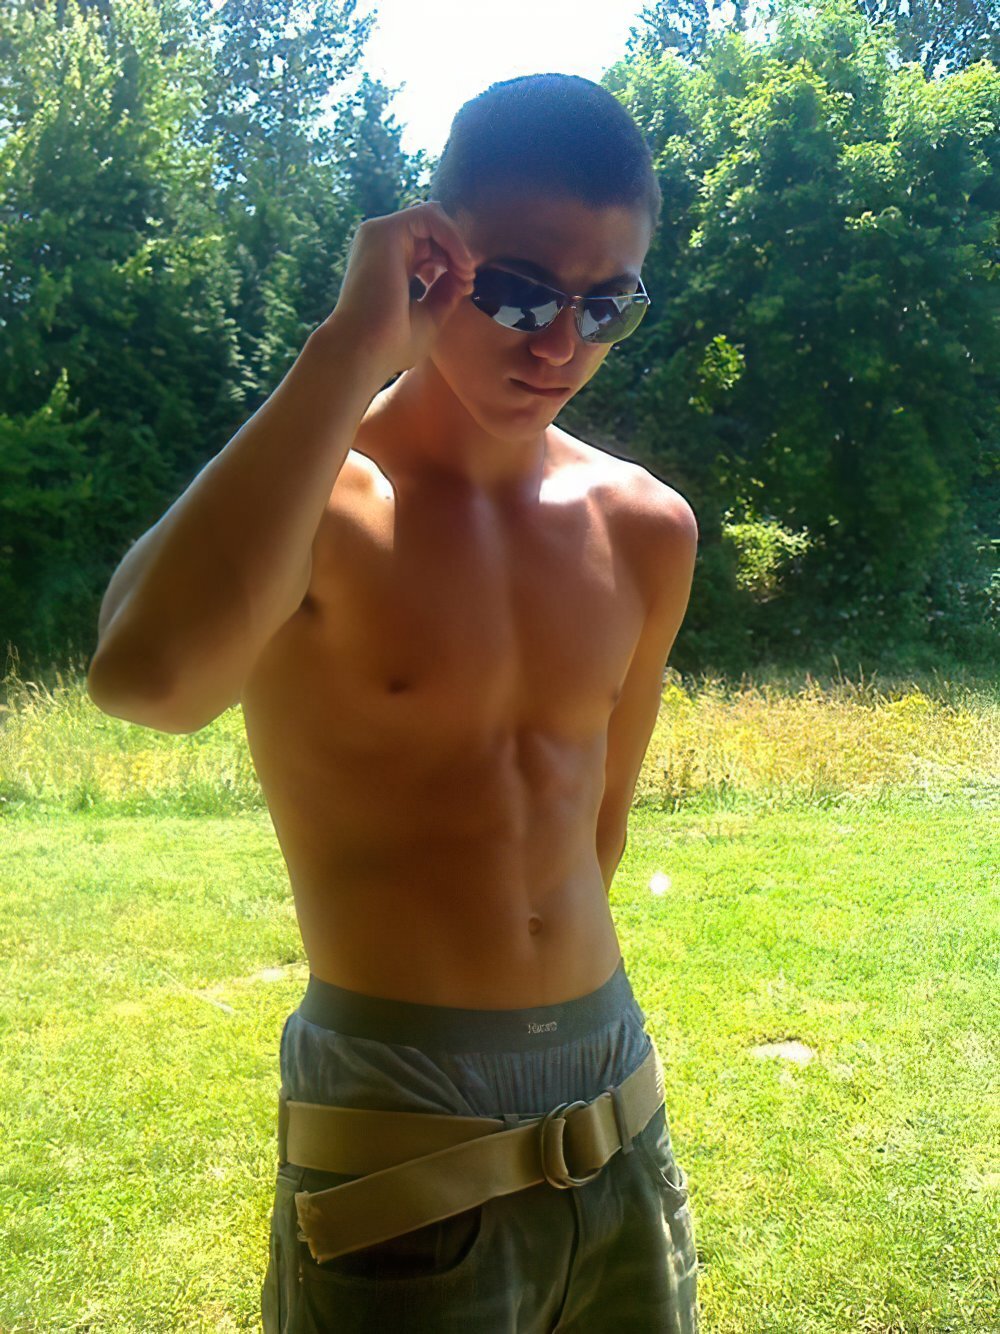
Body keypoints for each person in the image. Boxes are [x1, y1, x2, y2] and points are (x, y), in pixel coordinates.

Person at [87, 71, 699, 1332]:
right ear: (434, 258)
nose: (558, 344)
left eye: (606, 304)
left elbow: (596, 824)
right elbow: (147, 679)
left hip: (616, 1103)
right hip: (399, 1122)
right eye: (519, 290)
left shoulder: (645, 528)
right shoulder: (324, 503)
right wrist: (349, 347)